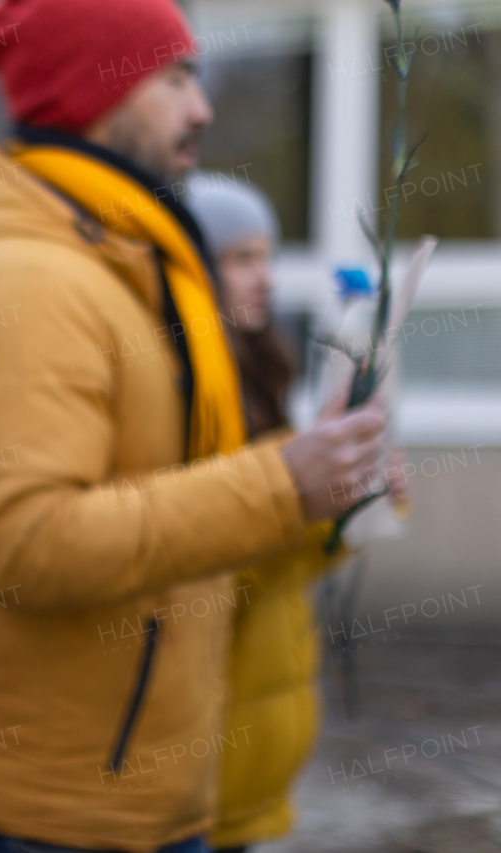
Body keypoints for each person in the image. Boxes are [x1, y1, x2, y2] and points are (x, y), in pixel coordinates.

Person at [0, 0, 389, 851]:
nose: (200, 109)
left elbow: (185, 521)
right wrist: (282, 480)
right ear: (103, 87)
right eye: (175, 78)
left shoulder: (129, 257)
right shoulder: (23, 279)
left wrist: (321, 486)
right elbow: (33, 545)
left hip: (152, 798)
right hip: (54, 816)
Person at [184, 177, 405, 853]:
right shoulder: (187, 386)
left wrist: (353, 500)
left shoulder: (263, 369)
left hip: (255, 753)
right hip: (200, 759)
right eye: (241, 258)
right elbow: (206, 561)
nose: (265, 276)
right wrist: (298, 486)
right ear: (193, 261)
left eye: (267, 256)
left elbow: (290, 561)